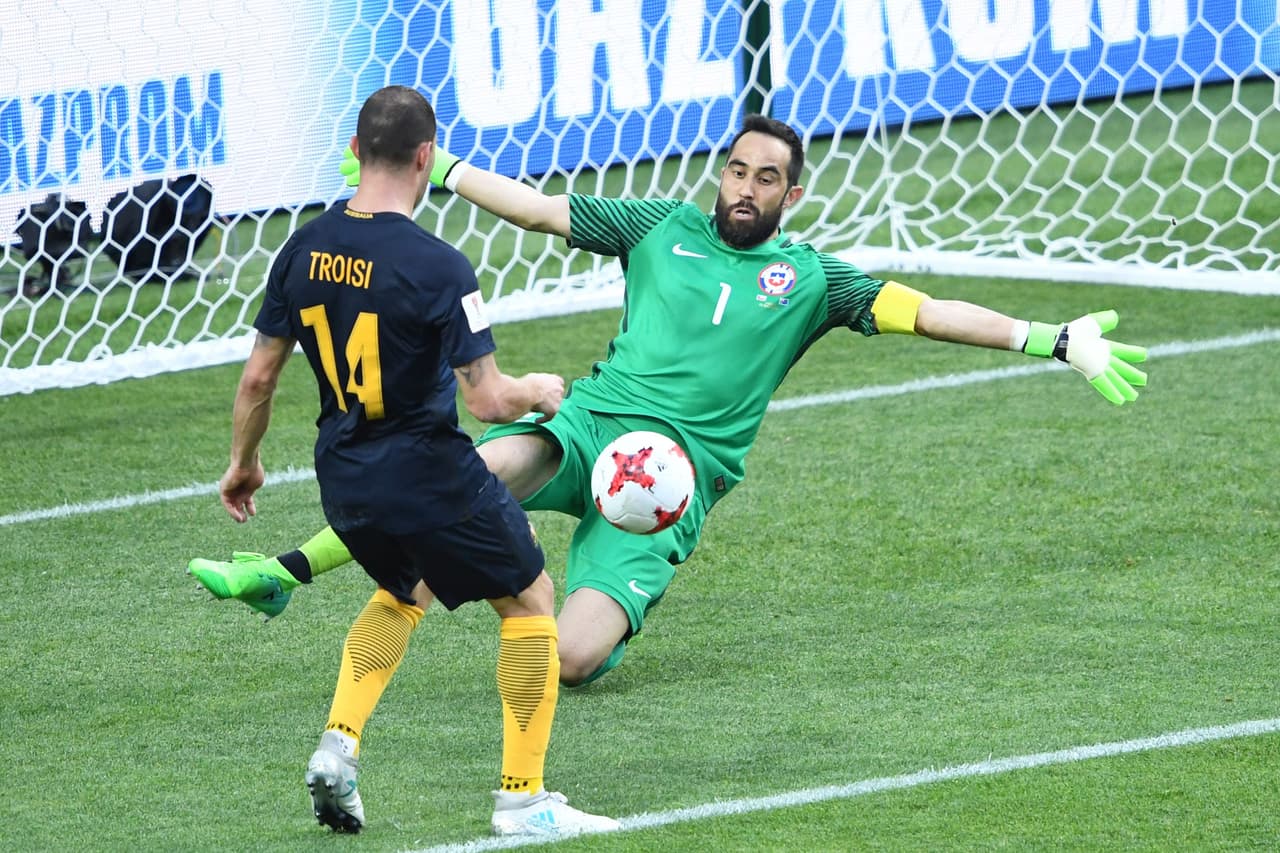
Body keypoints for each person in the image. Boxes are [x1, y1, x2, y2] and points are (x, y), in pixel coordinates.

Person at [190, 112, 1148, 689]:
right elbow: (539, 207)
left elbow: (932, 311)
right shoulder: (659, 227)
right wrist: (434, 170)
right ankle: (285, 570)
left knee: (568, 661)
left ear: (791, 193)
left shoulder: (815, 281)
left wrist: (1051, 338)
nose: (744, 188)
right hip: (594, 421)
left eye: (765, 178)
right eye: (736, 170)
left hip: (674, 482)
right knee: (478, 468)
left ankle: (507, 586)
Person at [206, 84, 618, 837]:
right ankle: (523, 801)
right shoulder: (440, 267)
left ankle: (339, 745)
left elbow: (259, 376)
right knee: (531, 599)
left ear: (357, 151)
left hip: (345, 476)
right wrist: (539, 389)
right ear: (427, 157)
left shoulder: (300, 247)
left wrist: (244, 463)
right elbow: (490, 401)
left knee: (406, 586)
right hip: (428, 472)